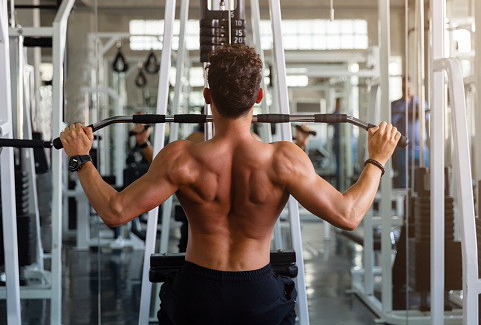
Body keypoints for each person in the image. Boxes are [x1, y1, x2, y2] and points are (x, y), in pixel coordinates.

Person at [60, 44, 400, 325]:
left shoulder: (182, 158)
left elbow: (114, 211)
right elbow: (349, 213)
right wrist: (377, 159)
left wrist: (81, 158)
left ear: (208, 96)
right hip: (259, 296)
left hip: (197, 296)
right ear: (259, 97)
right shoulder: (284, 159)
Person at [391, 77, 429, 188]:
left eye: (408, 88)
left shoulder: (419, 102)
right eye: (404, 88)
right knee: (403, 178)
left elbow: (425, 116)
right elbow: (393, 119)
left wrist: (413, 99)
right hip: (402, 150)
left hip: (420, 148)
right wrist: (405, 102)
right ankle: (402, 204)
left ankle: (418, 203)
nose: (406, 90)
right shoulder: (395, 104)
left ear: (412, 87)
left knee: (422, 179)